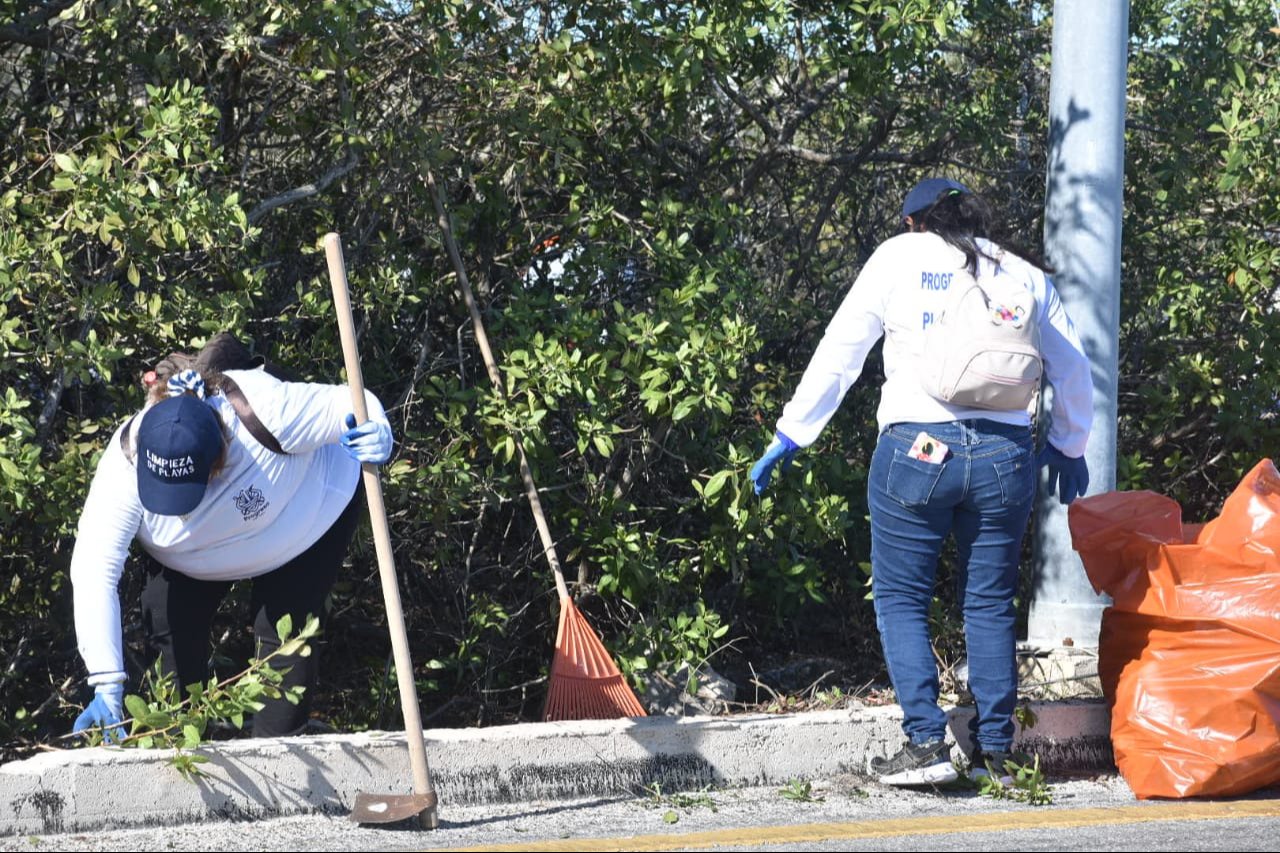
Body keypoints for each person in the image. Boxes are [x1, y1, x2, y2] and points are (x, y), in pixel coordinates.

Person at [750, 177, 1093, 786]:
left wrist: (792, 432)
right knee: (988, 603)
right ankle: (996, 752)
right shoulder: (1020, 272)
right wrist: (1069, 444)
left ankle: (925, 744)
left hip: (917, 449)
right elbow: (1070, 366)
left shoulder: (898, 257)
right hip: (1004, 455)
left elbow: (842, 348)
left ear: (914, 222)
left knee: (903, 599)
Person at [69, 348, 394, 740]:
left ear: (219, 460)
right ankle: (179, 743)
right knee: (168, 620)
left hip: (304, 518)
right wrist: (106, 682)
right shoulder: (122, 465)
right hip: (191, 556)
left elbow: (352, 402)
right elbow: (93, 569)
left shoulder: (266, 412)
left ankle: (281, 764)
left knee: (283, 635)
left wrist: (376, 428)